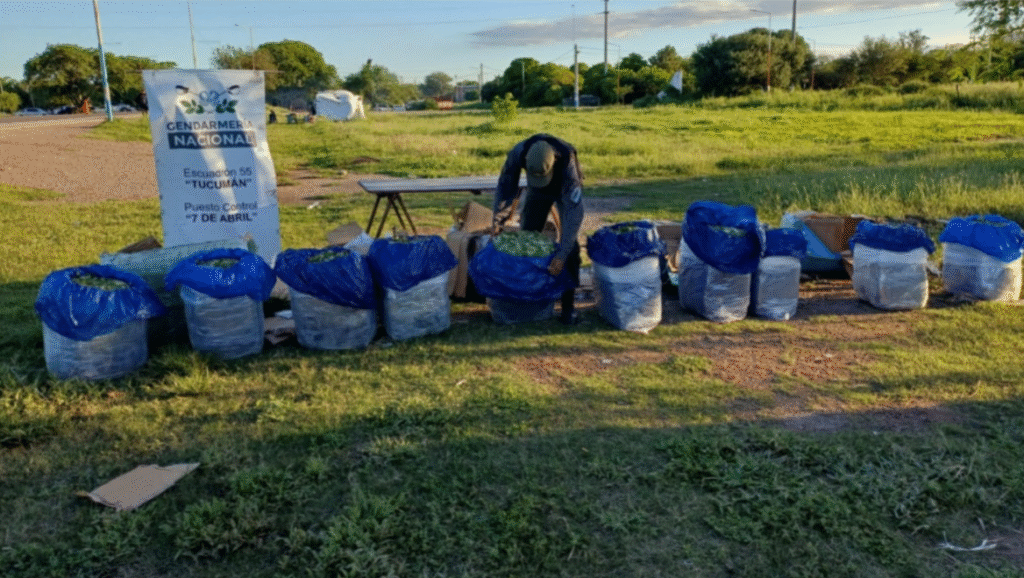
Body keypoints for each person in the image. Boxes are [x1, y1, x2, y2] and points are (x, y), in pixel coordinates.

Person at [492, 133, 585, 324]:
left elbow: (574, 213)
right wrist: (497, 223)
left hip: (563, 189)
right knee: (526, 239)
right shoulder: (518, 153)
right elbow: (506, 188)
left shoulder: (567, 161)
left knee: (571, 248)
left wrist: (562, 254)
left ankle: (568, 307)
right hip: (537, 191)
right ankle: (528, 298)